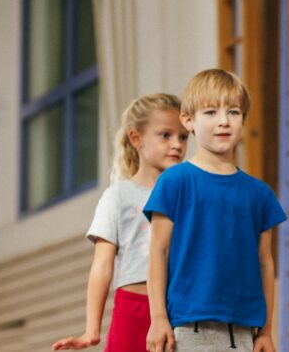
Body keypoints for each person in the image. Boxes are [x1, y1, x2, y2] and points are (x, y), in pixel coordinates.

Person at [144, 69, 287, 352]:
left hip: (245, 332)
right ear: (189, 121)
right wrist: (158, 318)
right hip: (188, 328)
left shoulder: (259, 194)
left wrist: (266, 331)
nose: (223, 122)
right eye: (210, 112)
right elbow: (158, 252)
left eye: (233, 112)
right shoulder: (174, 182)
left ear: (244, 120)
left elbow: (265, 263)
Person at [52, 94, 189, 351]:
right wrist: (92, 330)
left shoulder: (187, 195)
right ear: (136, 139)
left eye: (183, 137)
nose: (177, 145)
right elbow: (102, 265)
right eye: (166, 135)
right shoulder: (118, 196)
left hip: (178, 308)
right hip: (133, 307)